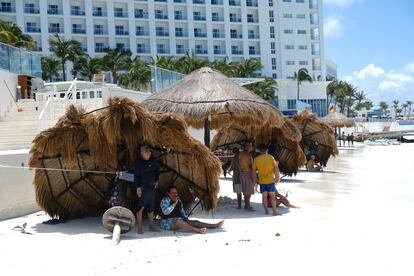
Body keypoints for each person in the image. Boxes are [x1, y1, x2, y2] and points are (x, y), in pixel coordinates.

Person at [160, 186, 224, 234]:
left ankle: (214, 225)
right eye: (172, 193)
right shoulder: (165, 200)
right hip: (166, 222)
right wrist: (174, 204)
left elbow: (182, 212)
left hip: (178, 219)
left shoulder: (178, 201)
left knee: (194, 222)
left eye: (176, 193)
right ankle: (197, 230)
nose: (174, 194)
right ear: (168, 193)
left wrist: (186, 217)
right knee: (179, 221)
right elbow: (166, 212)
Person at [134, 144, 160, 234]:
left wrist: (157, 180)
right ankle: (139, 227)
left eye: (149, 152)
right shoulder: (138, 162)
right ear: (142, 152)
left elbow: (157, 171)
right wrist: (138, 188)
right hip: (143, 187)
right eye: (146, 152)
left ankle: (151, 226)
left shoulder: (152, 160)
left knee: (151, 208)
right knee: (141, 207)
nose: (148, 154)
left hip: (152, 187)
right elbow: (136, 176)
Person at [253, 144, 279, 216]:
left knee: (264, 197)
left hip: (262, 181)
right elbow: (276, 167)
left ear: (260, 151)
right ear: (267, 150)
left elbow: (254, 171)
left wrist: (255, 181)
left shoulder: (256, 159)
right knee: (272, 196)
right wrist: (277, 177)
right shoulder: (270, 157)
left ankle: (266, 211)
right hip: (270, 180)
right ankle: (274, 211)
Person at [238, 143, 255, 211]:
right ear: (247, 147)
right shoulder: (248, 155)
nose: (251, 147)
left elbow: (239, 163)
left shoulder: (240, 154)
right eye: (250, 146)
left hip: (242, 173)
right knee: (249, 191)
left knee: (245, 191)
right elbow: (251, 165)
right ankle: (247, 205)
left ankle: (246, 205)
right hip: (248, 173)